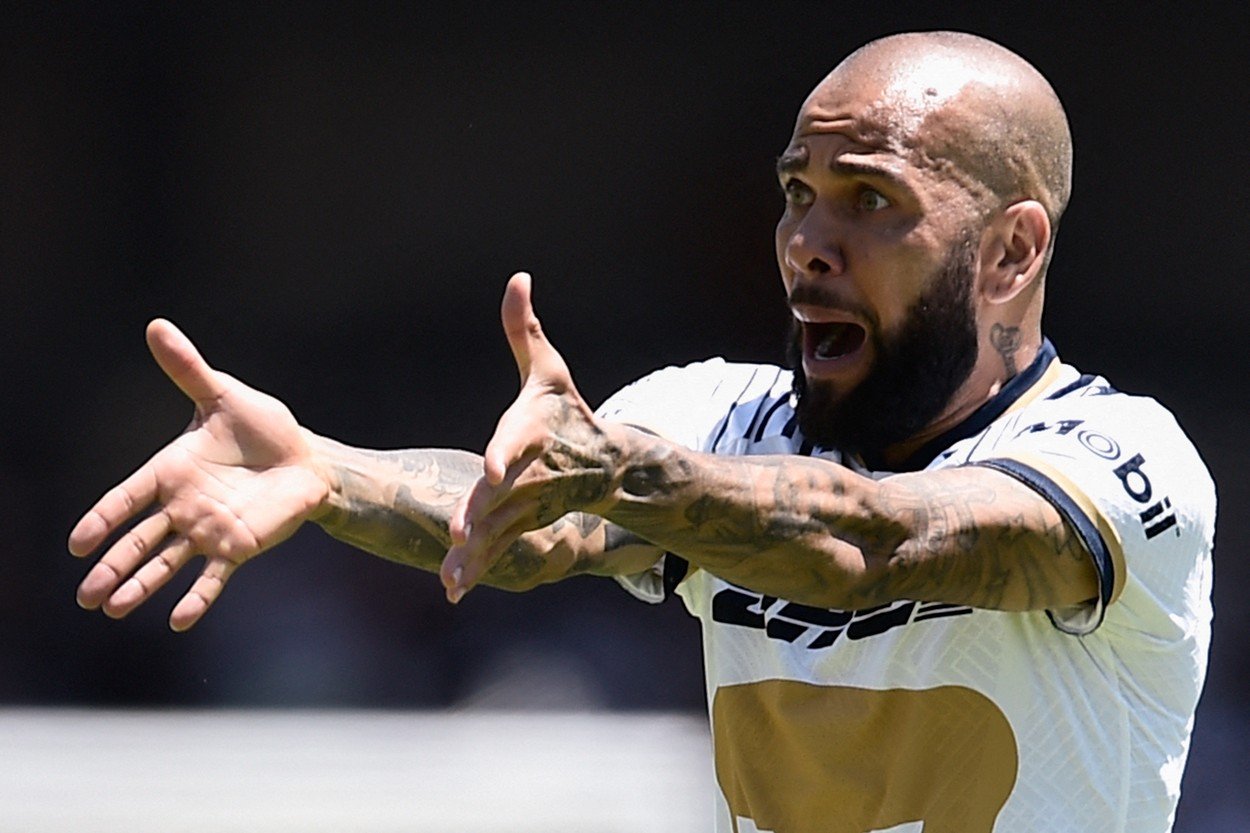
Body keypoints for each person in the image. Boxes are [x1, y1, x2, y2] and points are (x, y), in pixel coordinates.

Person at [69, 30, 1213, 833]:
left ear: (1011, 250)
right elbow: (527, 524)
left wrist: (616, 472)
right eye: (793, 191)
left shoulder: (1120, 461)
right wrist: (329, 472)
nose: (804, 241)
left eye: (867, 200)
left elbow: (873, 546)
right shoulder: (716, 415)